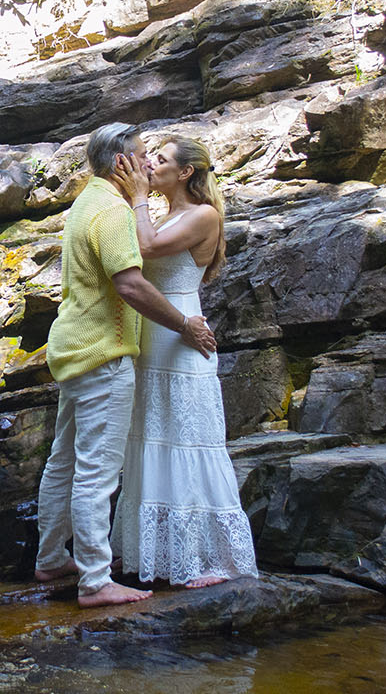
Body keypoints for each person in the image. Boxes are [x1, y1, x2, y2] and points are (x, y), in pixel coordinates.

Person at [34, 122, 219, 608]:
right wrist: (184, 323)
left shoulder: (86, 202)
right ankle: (95, 580)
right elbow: (132, 286)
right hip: (103, 352)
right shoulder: (114, 212)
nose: (147, 163)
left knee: (64, 461)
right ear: (122, 162)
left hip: (72, 349)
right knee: (96, 472)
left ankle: (52, 556)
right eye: (142, 155)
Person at [109, 134, 257, 588]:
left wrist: (136, 197)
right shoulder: (168, 213)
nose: (150, 163)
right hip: (151, 341)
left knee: (189, 444)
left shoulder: (203, 215)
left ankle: (211, 561)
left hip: (182, 341)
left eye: (161, 158)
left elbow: (148, 248)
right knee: (153, 439)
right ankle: (154, 555)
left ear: (185, 172)